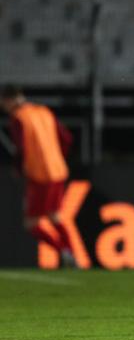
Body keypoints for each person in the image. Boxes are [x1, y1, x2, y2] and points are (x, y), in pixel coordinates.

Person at [1, 84, 77, 267]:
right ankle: (71, 253)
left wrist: (18, 169)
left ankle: (63, 250)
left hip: (39, 175)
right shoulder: (43, 111)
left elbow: (21, 149)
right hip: (58, 171)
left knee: (31, 223)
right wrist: (56, 157)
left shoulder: (18, 118)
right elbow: (67, 138)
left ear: (8, 99)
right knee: (54, 216)